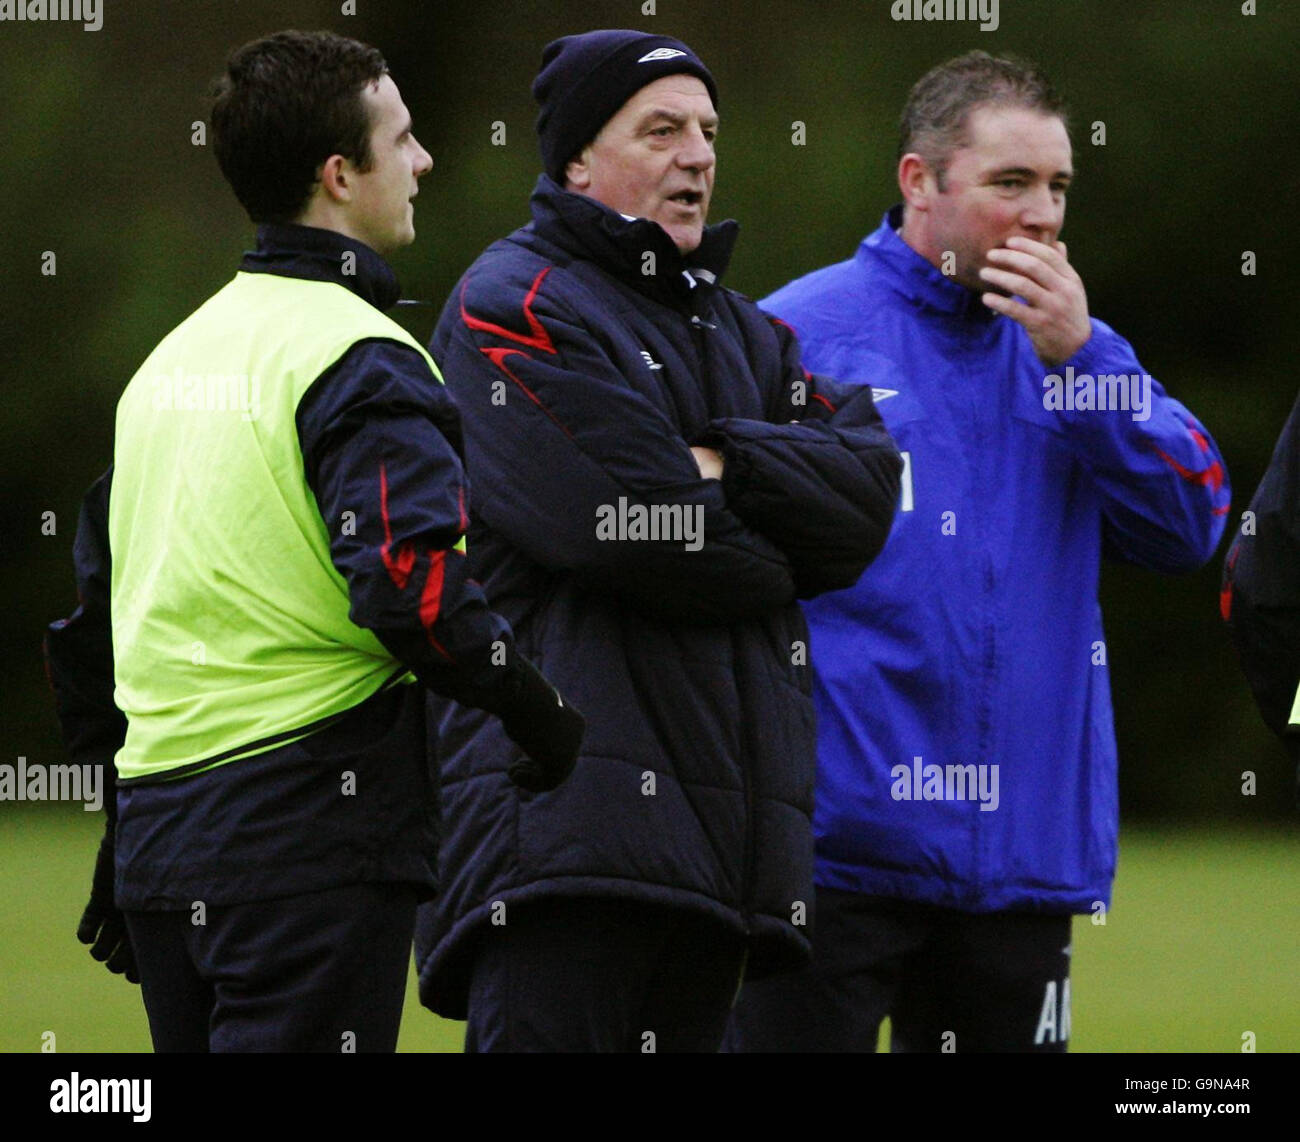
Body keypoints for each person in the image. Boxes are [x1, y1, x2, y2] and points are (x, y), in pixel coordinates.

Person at [43, 29, 582, 1054]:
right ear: (340, 175)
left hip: (163, 847)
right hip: (306, 841)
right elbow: (411, 586)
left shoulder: (167, 363)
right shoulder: (361, 352)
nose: (423, 162)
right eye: (404, 139)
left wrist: (128, 834)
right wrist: (536, 708)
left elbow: (93, 628)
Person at [724, 50, 1231, 1053]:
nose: (1042, 214)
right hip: (828, 857)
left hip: (1018, 871)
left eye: (1056, 187)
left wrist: (1083, 364)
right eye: (1010, 183)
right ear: (920, 182)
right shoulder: (794, 335)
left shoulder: (1076, 352)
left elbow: (1191, 523)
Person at [413, 28, 903, 1053]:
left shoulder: (748, 332)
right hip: (565, 845)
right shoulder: (511, 302)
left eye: (709, 130)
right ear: (577, 160)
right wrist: (777, 543)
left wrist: (720, 460)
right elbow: (623, 525)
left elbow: (867, 498)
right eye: (662, 128)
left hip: (720, 866)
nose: (698, 155)